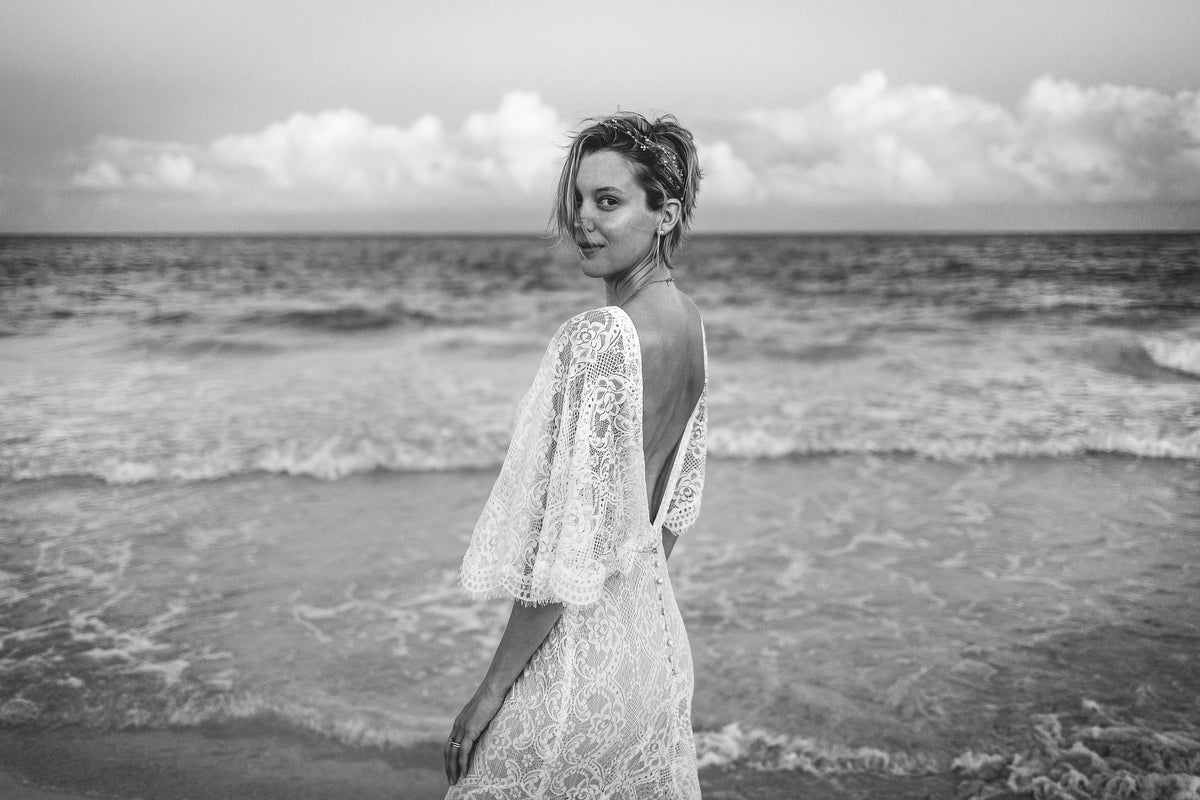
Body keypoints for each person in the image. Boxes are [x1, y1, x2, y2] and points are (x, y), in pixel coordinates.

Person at [444, 112, 707, 799]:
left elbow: (567, 543)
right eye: (580, 198)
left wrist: (491, 691)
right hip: (652, 655)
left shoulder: (597, 339)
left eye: (609, 201)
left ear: (665, 213)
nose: (582, 220)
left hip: (575, 673)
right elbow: (672, 512)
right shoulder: (690, 324)